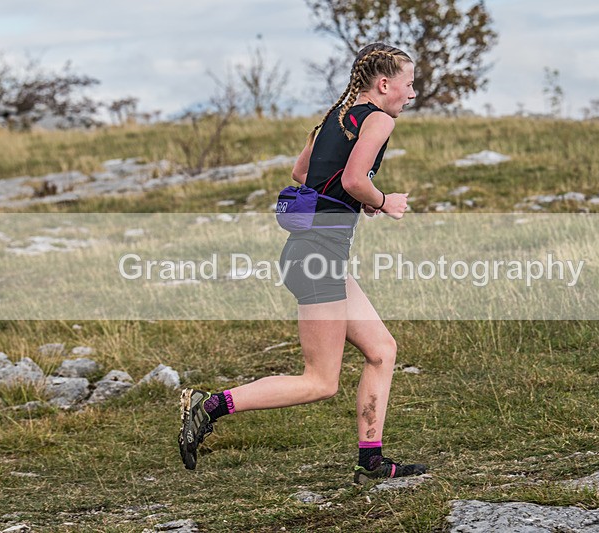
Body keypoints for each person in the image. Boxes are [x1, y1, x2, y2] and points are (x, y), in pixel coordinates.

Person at [179, 42, 426, 483]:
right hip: (318, 258)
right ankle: (209, 405)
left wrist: (356, 199)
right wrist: (383, 200)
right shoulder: (379, 121)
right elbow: (352, 178)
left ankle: (371, 461)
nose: (412, 94)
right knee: (320, 380)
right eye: (408, 85)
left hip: (314, 252)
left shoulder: (334, 117)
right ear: (384, 83)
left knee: (382, 350)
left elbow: (302, 173)